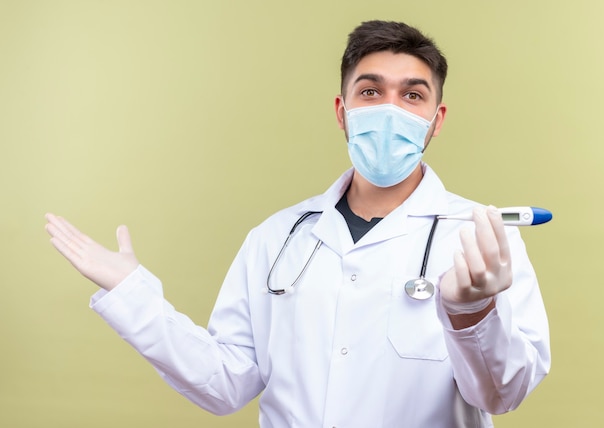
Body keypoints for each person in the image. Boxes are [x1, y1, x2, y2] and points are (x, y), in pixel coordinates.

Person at [45, 20, 550, 427]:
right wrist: (133, 297)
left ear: (436, 119)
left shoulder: (483, 238)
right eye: (370, 92)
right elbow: (225, 385)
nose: (390, 109)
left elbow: (501, 396)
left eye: (412, 96)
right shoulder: (277, 238)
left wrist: (473, 313)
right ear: (343, 111)